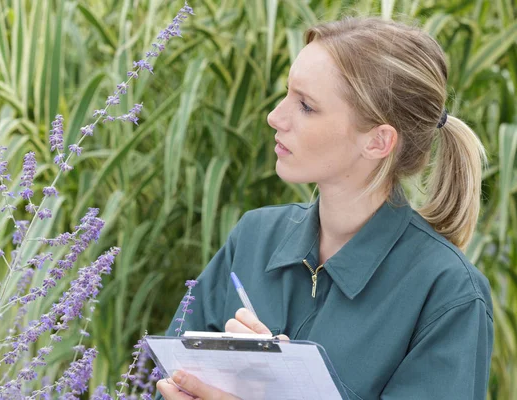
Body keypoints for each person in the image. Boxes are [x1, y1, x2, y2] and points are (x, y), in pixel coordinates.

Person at [157, 16, 493, 400]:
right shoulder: (253, 238)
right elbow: (165, 381)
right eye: (287, 93)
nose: (275, 117)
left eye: (306, 106)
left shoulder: (448, 294)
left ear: (378, 141)